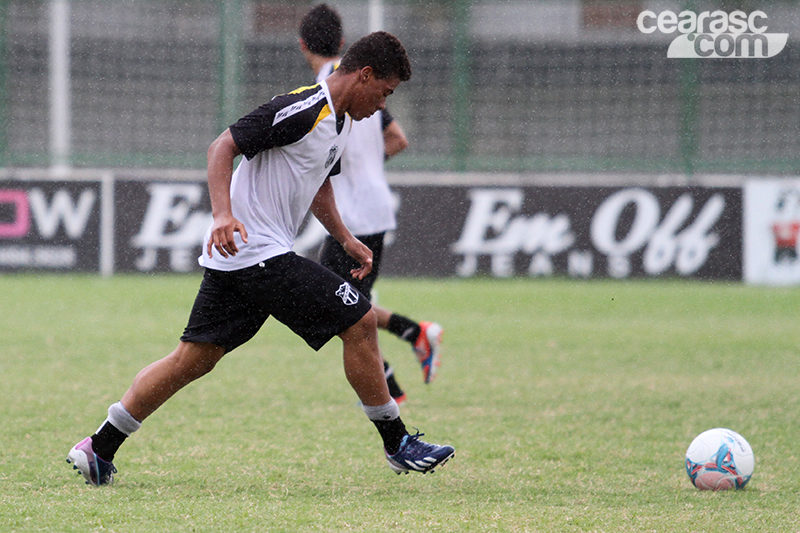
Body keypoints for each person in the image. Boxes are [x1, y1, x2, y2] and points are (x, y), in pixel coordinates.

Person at [67, 31, 454, 486]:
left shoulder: (343, 121)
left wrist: (345, 237)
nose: (382, 104)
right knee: (361, 320)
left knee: (192, 360)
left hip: (244, 260)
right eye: (385, 92)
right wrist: (222, 215)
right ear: (364, 75)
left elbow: (320, 183)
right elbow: (221, 148)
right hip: (256, 252)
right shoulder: (303, 108)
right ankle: (398, 443)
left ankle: (99, 447)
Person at [299, 5, 443, 405]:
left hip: (355, 214)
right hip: (373, 207)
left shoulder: (336, 86)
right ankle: (411, 346)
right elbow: (397, 138)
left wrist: (347, 169)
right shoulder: (359, 82)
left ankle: (406, 354)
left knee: (335, 307)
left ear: (302, 45)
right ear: (343, 42)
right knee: (347, 307)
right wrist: (366, 167)